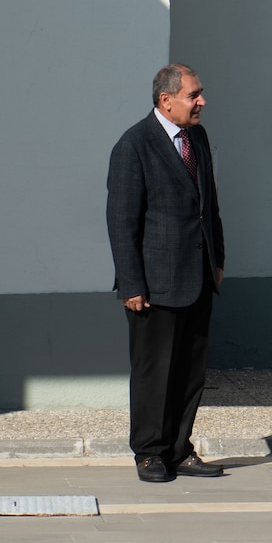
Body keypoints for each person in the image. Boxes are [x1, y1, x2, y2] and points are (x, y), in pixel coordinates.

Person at [106, 63, 227, 484]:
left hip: (197, 277)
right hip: (154, 285)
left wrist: (218, 259)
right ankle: (150, 453)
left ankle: (180, 448)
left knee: (190, 372)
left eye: (200, 93)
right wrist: (132, 283)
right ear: (166, 100)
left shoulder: (197, 138)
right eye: (194, 95)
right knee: (154, 371)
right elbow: (122, 222)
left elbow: (207, 205)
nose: (201, 102)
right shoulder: (134, 146)